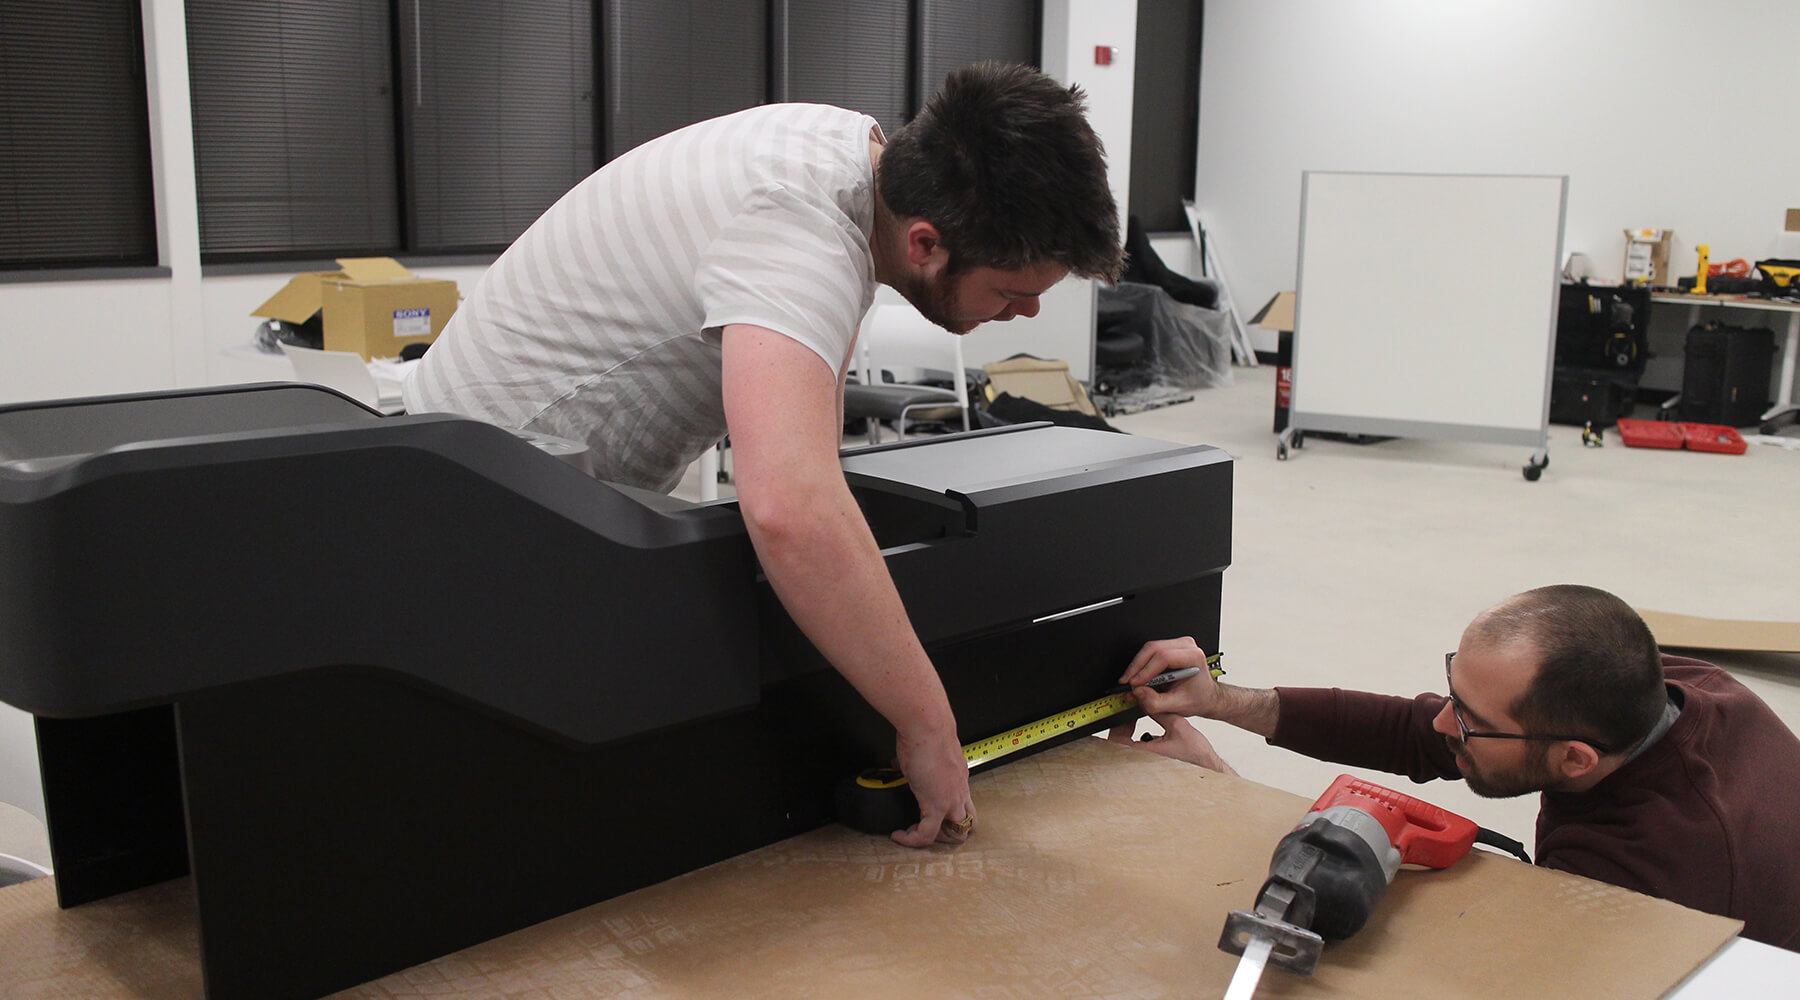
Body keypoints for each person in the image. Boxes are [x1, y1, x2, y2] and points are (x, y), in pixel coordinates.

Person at [404, 63, 1124, 848]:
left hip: (528, 472)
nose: (1027, 311)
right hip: (482, 501)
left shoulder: (854, 155)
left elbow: (814, 420)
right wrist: (927, 724)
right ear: (926, 242)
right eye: (1012, 290)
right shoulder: (802, 235)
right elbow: (788, 509)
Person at [1109, 585, 1800, 950]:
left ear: (1575, 758)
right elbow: (1418, 734)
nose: (1444, 723)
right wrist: (1222, 700)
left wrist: (1221, 791)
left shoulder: (1650, 874)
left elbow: (1465, 958)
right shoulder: (1656, 689)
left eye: (1469, 719)